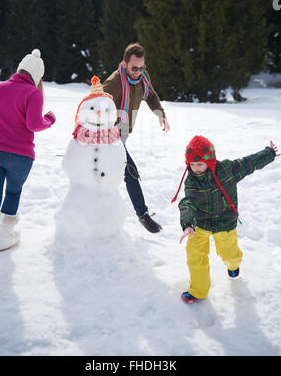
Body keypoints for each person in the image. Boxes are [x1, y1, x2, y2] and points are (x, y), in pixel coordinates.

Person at [171, 135, 279, 304]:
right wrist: (187, 223)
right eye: (192, 164)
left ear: (210, 161)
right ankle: (199, 290)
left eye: (200, 164)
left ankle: (234, 265)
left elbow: (248, 163)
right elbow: (189, 202)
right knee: (195, 256)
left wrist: (269, 153)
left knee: (229, 253)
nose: (196, 168)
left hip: (224, 222)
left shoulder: (227, 170)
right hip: (200, 224)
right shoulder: (191, 180)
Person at [0, 49, 56, 279]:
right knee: (12, 192)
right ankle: (5, 238)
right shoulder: (33, 93)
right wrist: (50, 120)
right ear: (37, 75)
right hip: (19, 156)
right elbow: (34, 124)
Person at [103, 42, 170, 233]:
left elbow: (151, 95)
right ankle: (143, 215)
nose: (138, 71)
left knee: (111, 174)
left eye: (142, 67)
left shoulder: (142, 78)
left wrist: (161, 114)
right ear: (124, 64)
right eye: (134, 68)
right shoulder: (115, 82)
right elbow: (94, 101)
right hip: (109, 136)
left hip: (123, 134)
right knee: (130, 172)